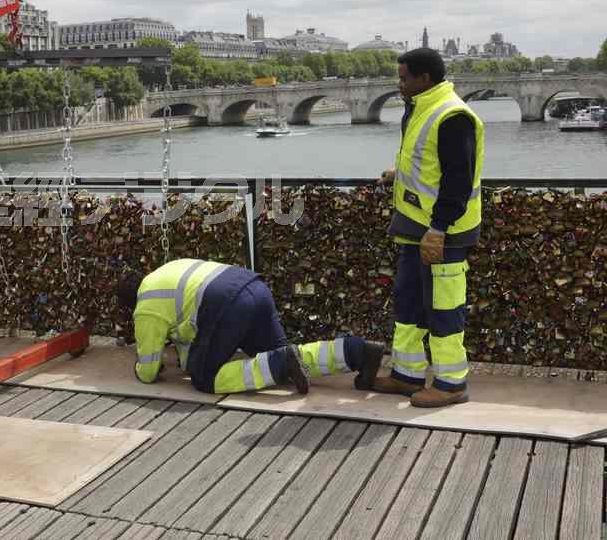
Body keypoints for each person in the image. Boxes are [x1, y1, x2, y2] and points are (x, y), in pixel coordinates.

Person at [373, 48, 483, 408]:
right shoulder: (420, 107)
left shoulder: (452, 115)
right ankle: (407, 375)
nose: (399, 83)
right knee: (408, 304)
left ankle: (452, 384)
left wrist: (439, 228)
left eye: (404, 77)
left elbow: (458, 180)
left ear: (424, 78)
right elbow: (424, 161)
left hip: (443, 234)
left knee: (443, 308)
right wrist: (397, 174)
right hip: (413, 226)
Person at [118, 259, 385, 395]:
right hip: (252, 287)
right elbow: (191, 330)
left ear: (131, 304)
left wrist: (140, 367)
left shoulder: (147, 305)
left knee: (205, 379)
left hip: (226, 303)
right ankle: (357, 351)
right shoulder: (165, 272)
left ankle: (279, 365)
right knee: (289, 355)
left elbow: (150, 369)